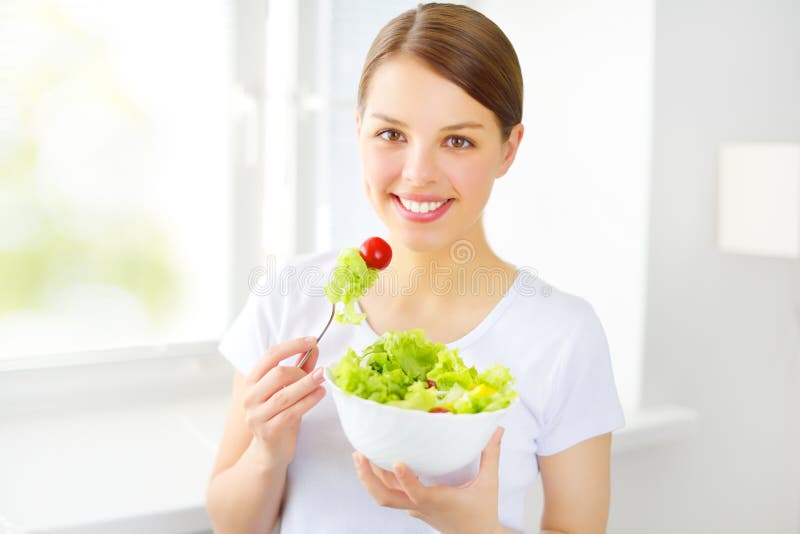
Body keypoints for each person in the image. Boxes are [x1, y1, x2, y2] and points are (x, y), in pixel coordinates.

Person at [206, 3, 625, 533]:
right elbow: (230, 524)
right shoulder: (290, 299)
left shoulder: (563, 335)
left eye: (458, 140)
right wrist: (267, 453)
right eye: (391, 134)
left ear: (508, 150)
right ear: (358, 131)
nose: (418, 173)